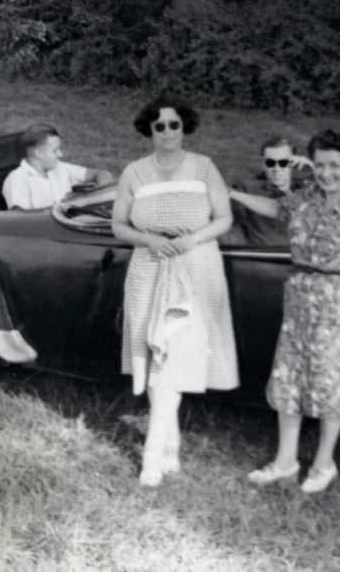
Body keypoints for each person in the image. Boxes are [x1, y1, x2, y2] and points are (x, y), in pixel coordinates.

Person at [230, 129, 340, 493]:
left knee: (330, 385)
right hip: (301, 300)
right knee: (290, 380)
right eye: (320, 165)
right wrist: (232, 194)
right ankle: (285, 462)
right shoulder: (304, 199)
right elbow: (274, 208)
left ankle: (323, 463)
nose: (326, 173)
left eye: (334, 165)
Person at [112, 93, 238, 487]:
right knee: (155, 354)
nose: (168, 132)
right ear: (149, 130)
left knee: (176, 356)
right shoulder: (134, 172)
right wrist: (148, 240)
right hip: (149, 266)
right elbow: (118, 225)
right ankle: (170, 445)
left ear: (185, 128)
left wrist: (193, 239)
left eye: (175, 125)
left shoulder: (204, 167)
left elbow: (224, 219)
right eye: (160, 126)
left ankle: (154, 453)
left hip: (195, 266)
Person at [2, 123, 112, 210]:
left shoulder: (60, 168)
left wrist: (101, 194)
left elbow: (102, 173)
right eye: (55, 150)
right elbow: (19, 220)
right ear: (39, 153)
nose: (60, 154)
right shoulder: (17, 180)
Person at [230, 135, 313, 245]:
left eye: (283, 163)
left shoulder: (306, 189)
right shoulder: (247, 189)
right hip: (266, 257)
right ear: (263, 165)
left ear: (292, 164)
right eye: (270, 163)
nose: (276, 169)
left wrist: (313, 168)